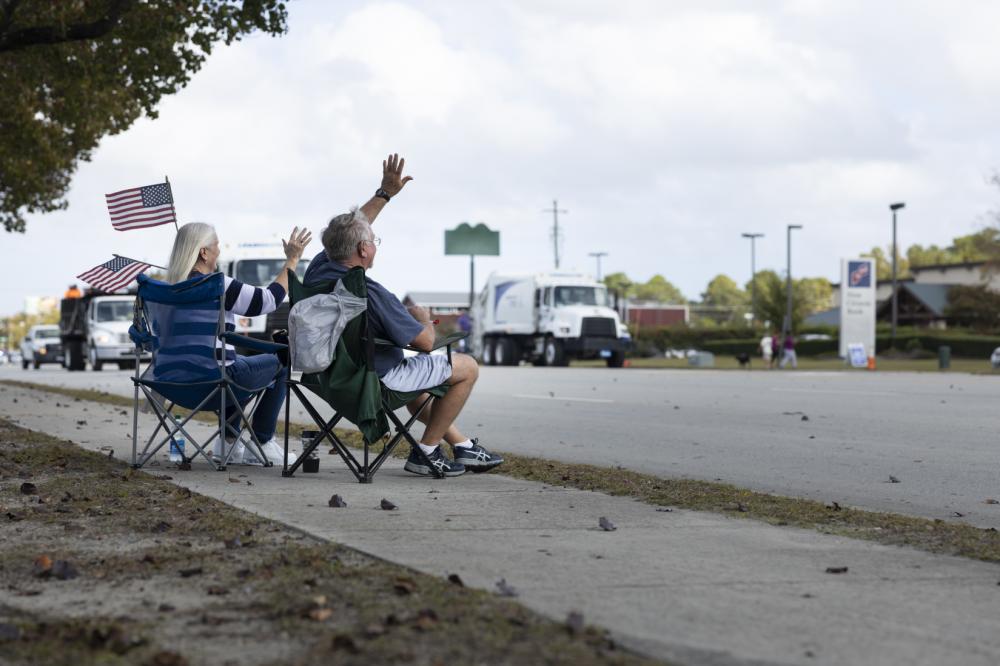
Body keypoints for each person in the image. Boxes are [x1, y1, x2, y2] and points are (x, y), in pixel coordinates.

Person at [304, 154, 502, 477]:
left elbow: (346, 234)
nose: (374, 244)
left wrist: (384, 194)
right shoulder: (372, 293)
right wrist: (422, 318)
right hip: (374, 382)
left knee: (420, 383)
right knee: (466, 367)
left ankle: (463, 445)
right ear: (364, 250)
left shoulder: (318, 272)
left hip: (331, 378)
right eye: (373, 241)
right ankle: (426, 452)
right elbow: (425, 343)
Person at [165, 221, 312, 464]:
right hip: (215, 382)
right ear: (204, 253)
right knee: (281, 361)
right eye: (216, 245)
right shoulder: (216, 285)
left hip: (173, 382)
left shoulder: (167, 290)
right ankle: (261, 443)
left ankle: (228, 442)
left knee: (237, 363)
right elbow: (267, 300)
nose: (219, 251)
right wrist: (292, 259)